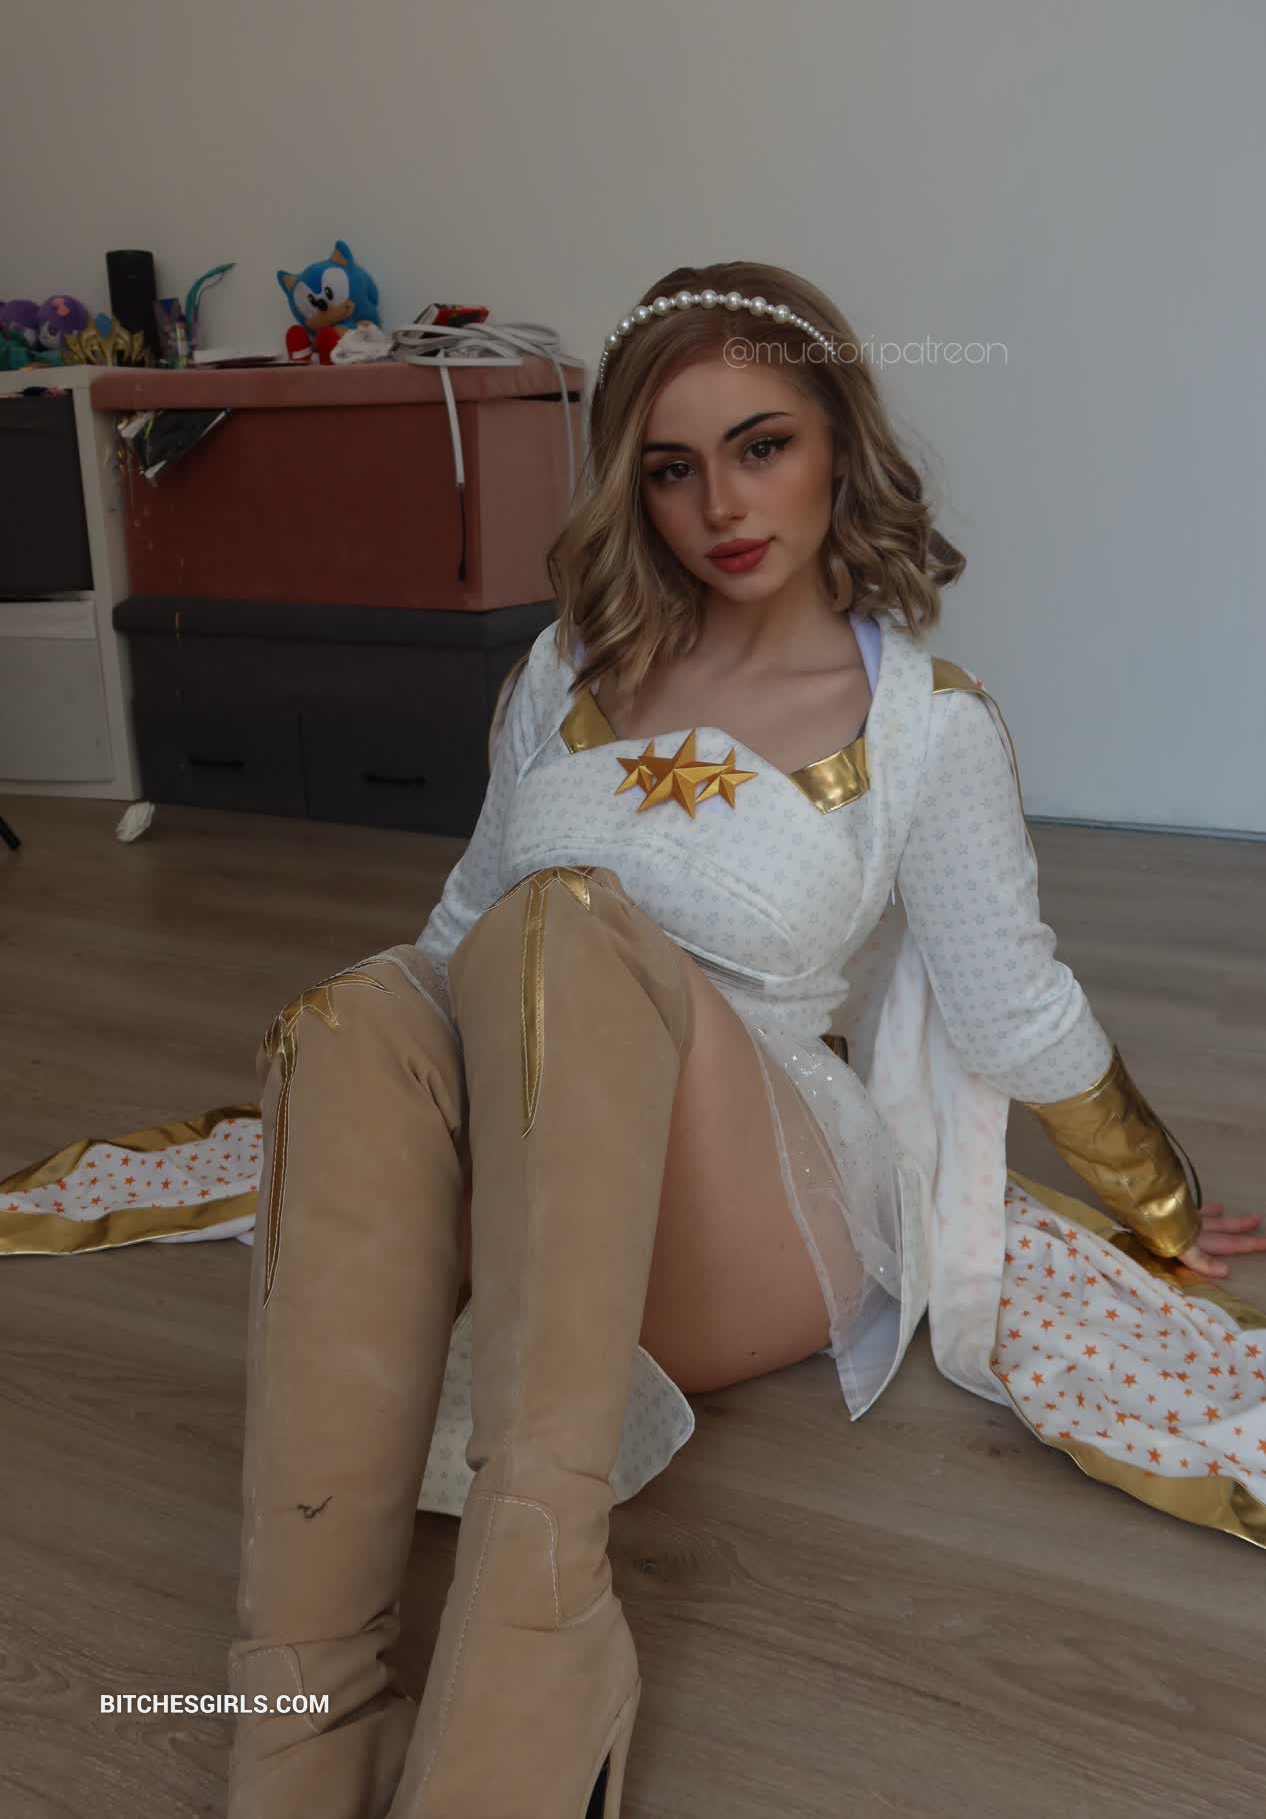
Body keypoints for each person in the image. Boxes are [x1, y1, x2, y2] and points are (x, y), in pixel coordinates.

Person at [4, 262, 1264, 1819]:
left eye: (760, 446)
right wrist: (380, 1108)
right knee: (360, 1009)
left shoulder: (928, 725)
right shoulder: (561, 671)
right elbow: (458, 923)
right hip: (540, 1147)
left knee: (567, 930)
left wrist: (1154, 1198)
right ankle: (292, 1717)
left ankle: (534, 1653)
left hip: (758, 1200)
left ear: (838, 443)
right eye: (670, 467)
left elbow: (1013, 1005)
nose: (718, 504)